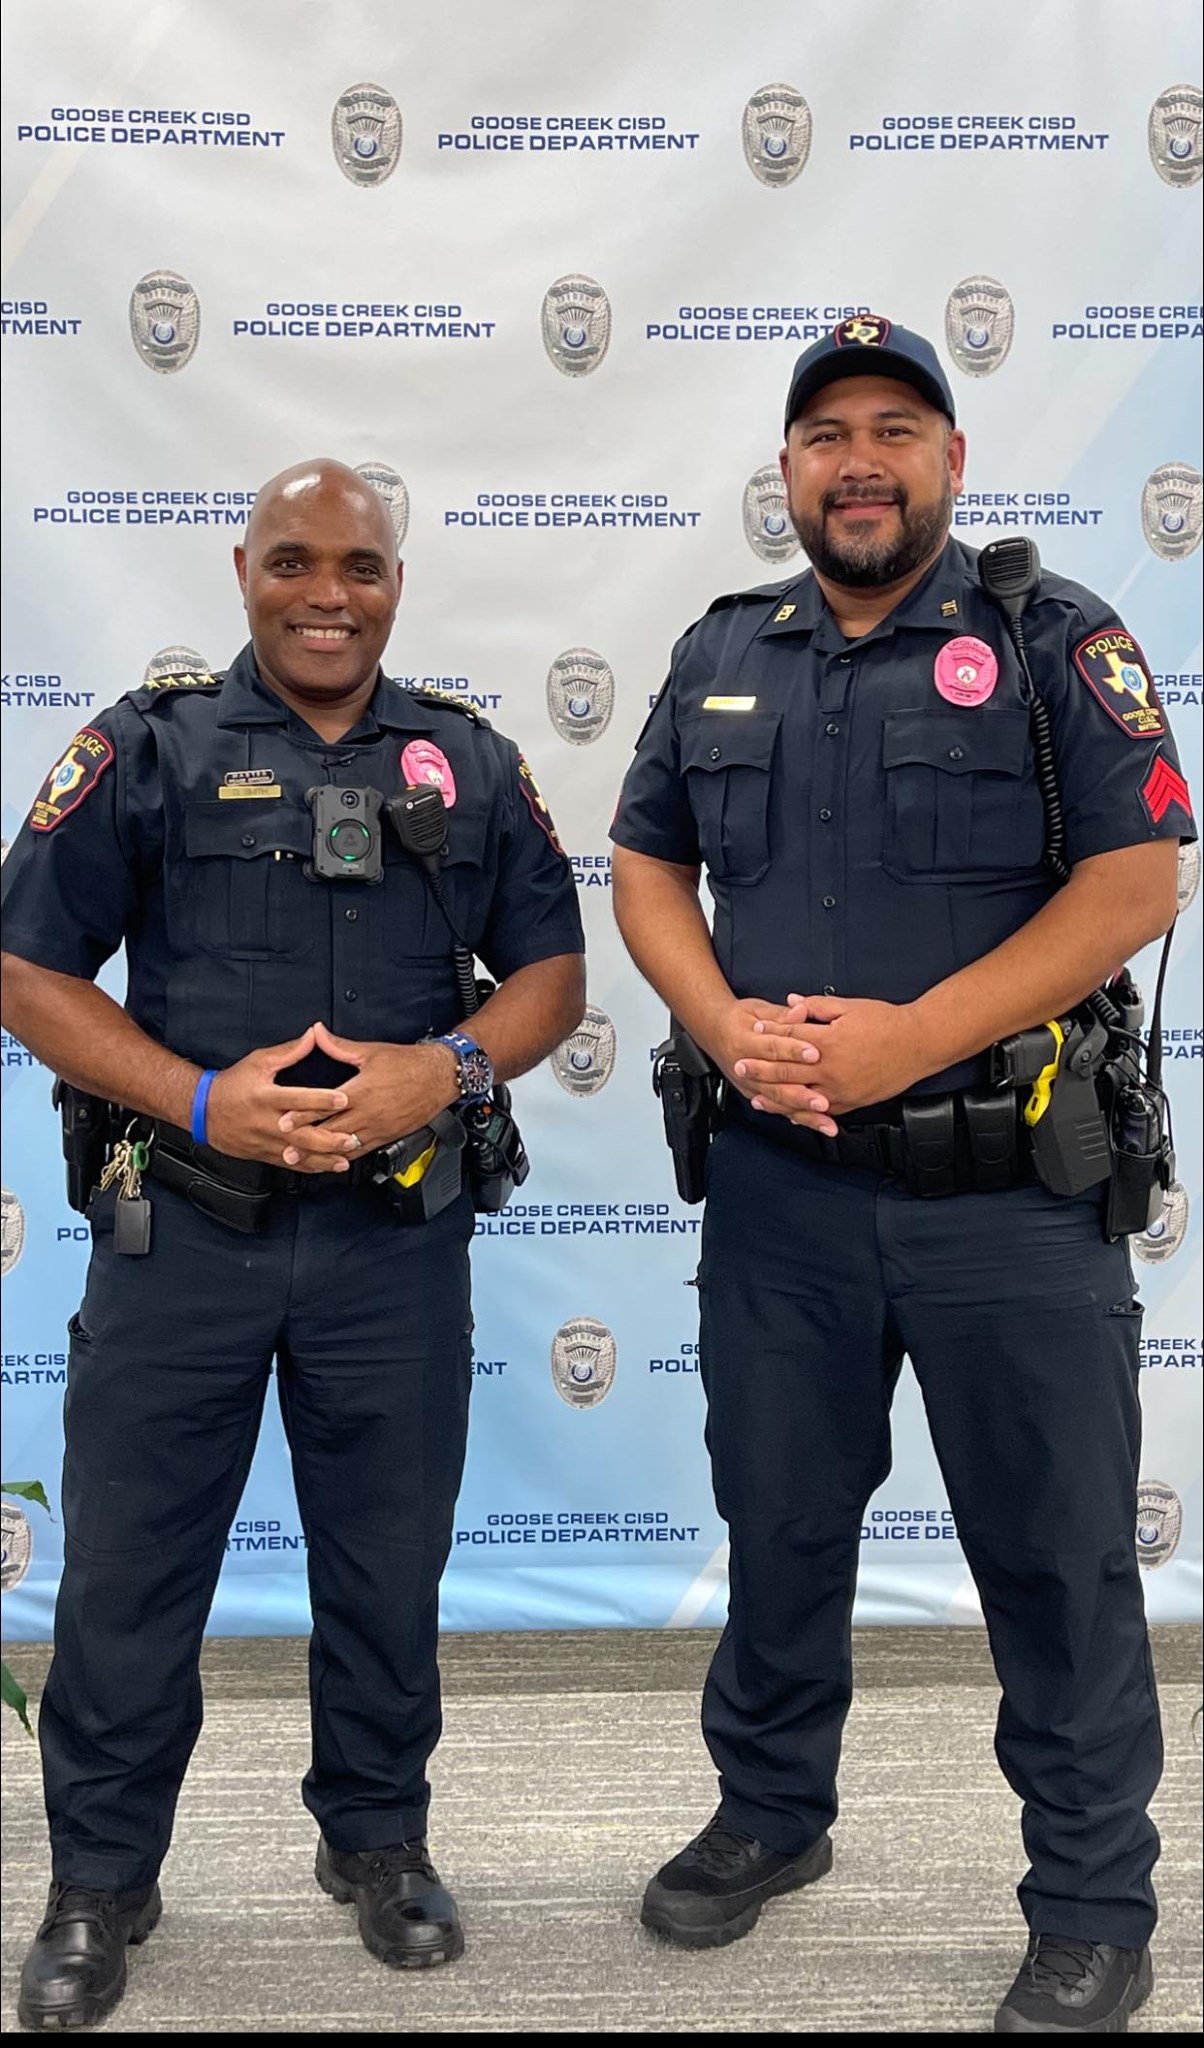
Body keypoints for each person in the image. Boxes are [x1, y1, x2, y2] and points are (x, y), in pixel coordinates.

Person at [610, 318, 1195, 2034]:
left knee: (1056, 1553)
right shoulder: (729, 651)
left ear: (951, 461)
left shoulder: (1053, 640)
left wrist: (907, 1039)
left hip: (1007, 1197)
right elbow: (647, 861)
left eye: (894, 429)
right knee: (779, 1527)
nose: (856, 460)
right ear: (786, 472)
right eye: (823, 436)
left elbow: (1136, 882)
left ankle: (1092, 1900)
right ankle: (772, 1815)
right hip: (782, 1198)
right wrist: (720, 1024)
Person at [1, 458, 585, 2031]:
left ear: (400, 581)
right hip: (178, 1238)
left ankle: (379, 1844)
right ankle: (99, 1882)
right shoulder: (146, 749)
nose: (330, 594)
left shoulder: (466, 763)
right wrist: (197, 1096)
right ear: (243, 566)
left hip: (392, 1251)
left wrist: (442, 1069)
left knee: (386, 1568)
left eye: (364, 568)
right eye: (296, 561)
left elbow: (549, 977)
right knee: (130, 1579)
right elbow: (28, 971)